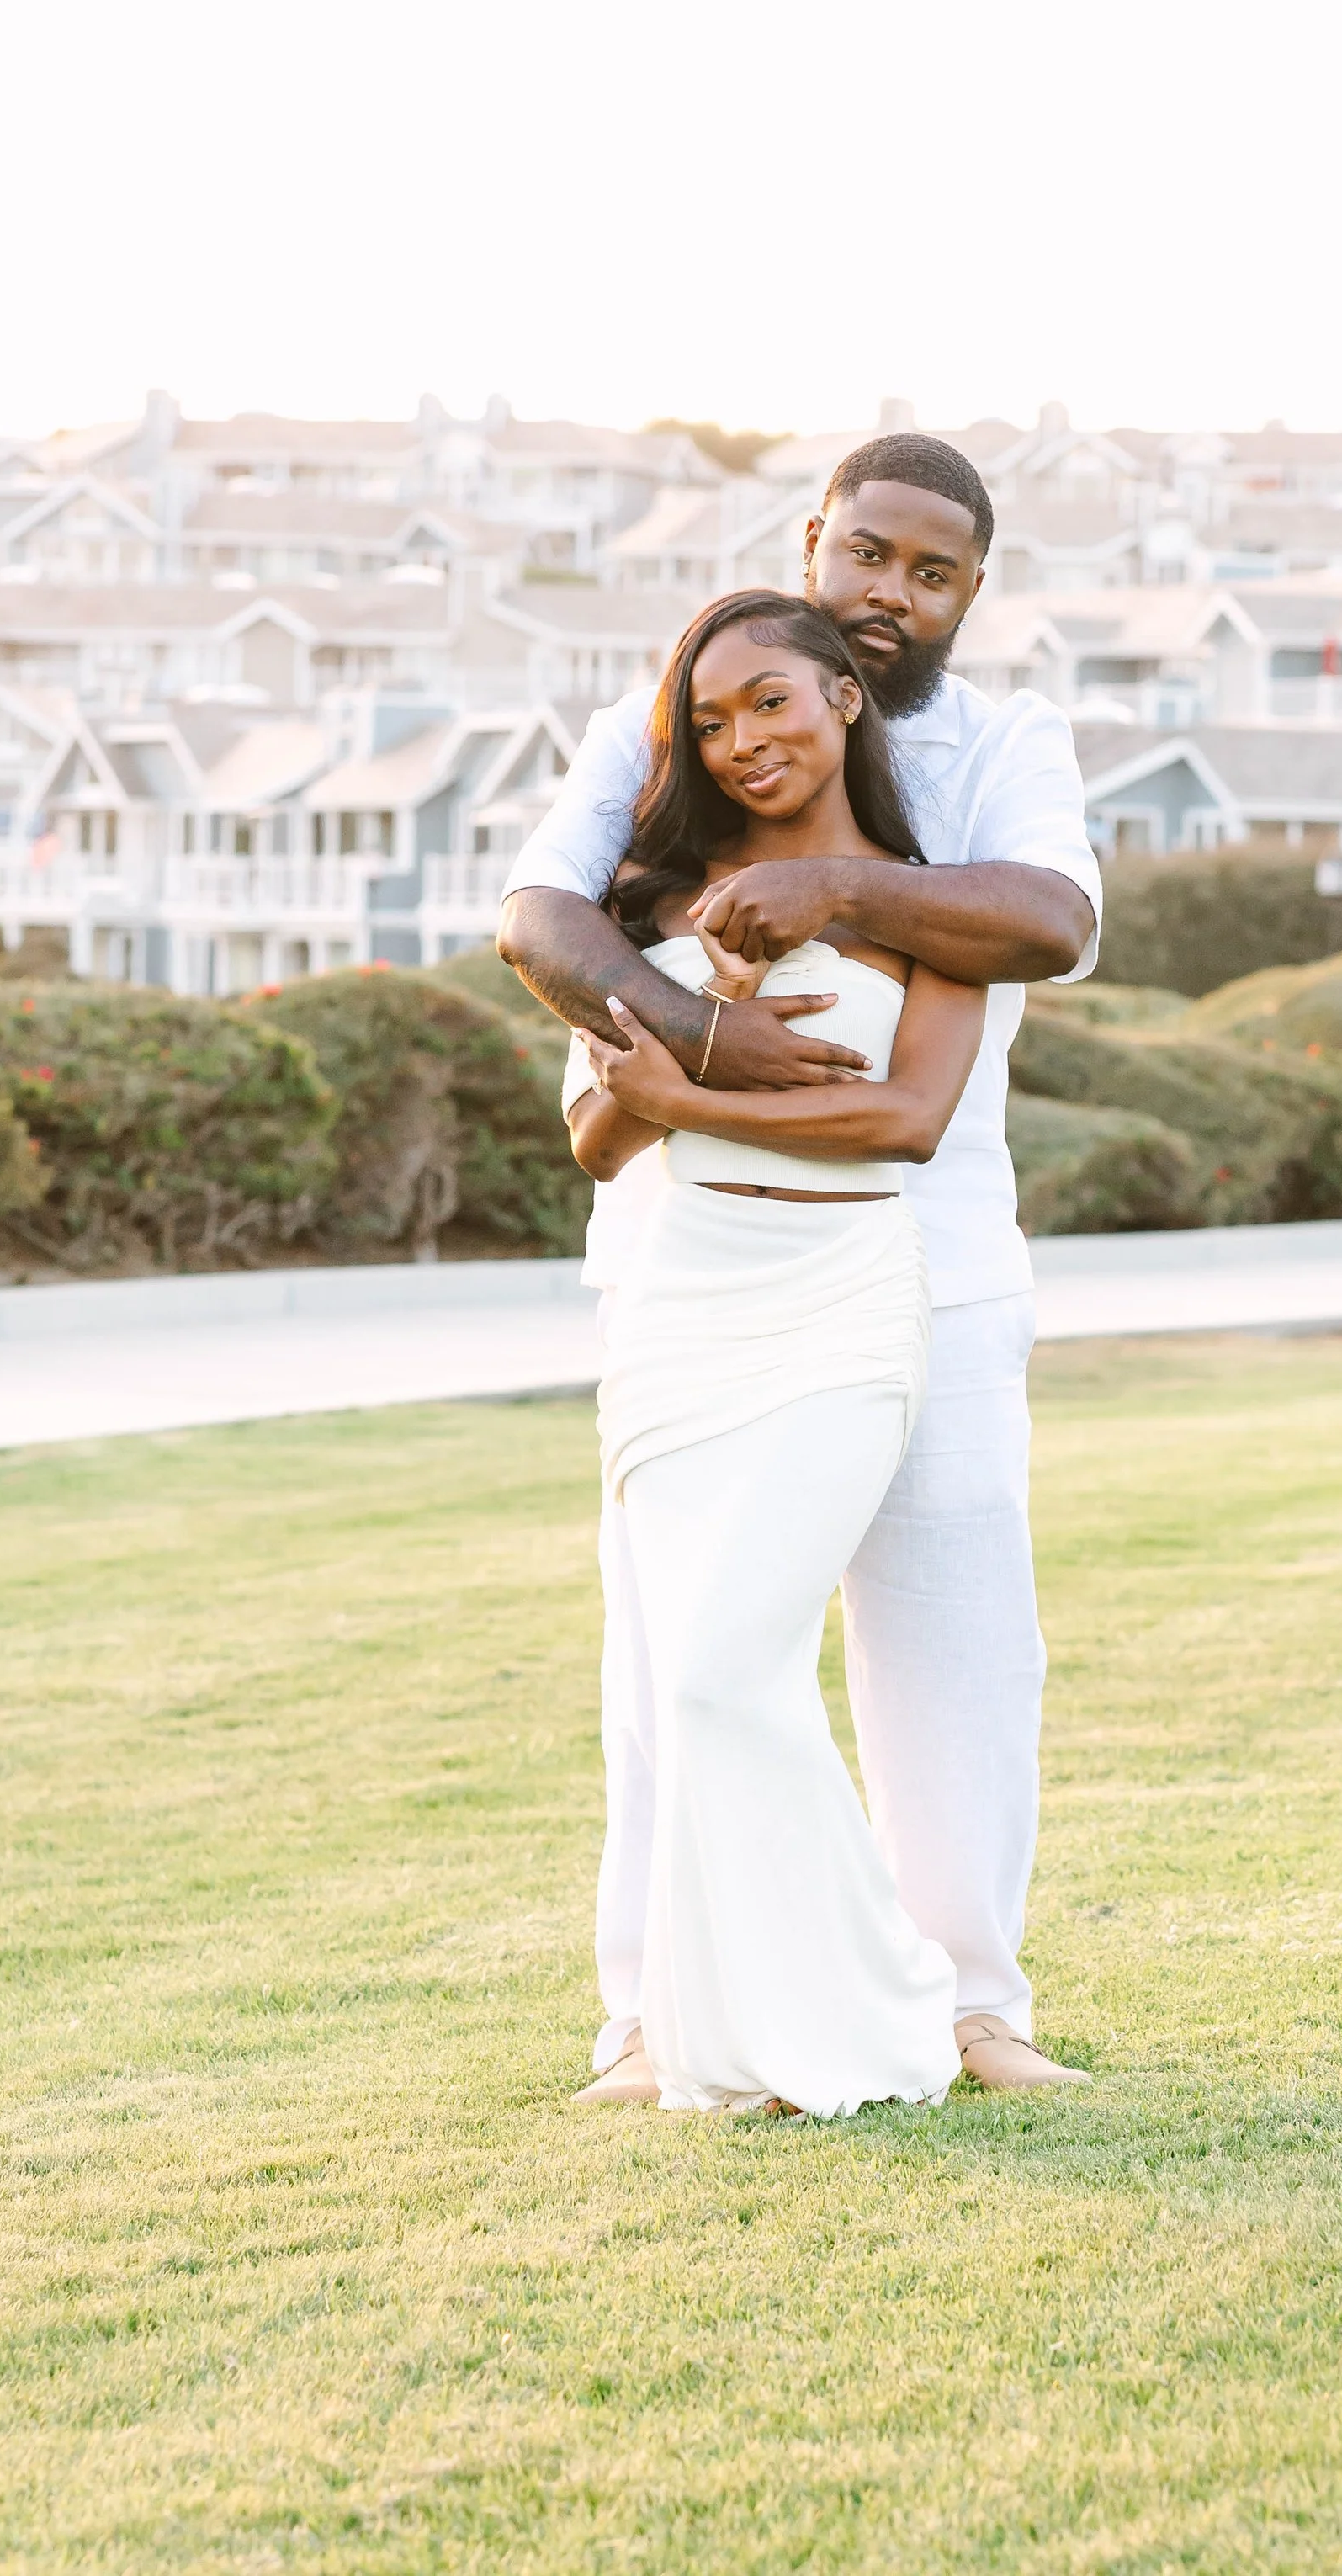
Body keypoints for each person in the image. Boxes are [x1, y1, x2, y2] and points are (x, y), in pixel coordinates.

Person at [500, 431, 1102, 2102]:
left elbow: (1045, 922)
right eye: (866, 556)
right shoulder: (674, 727)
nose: (889, 595)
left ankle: (966, 1998)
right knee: (672, 1648)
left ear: (970, 593)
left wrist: (837, 884)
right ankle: (650, 2006)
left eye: (933, 574)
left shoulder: (999, 746)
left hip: (935, 1255)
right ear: (812, 540)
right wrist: (707, 1039)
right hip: (686, 1264)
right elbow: (544, 919)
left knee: (956, 1631)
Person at [566, 591, 983, 2111]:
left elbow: (904, 1123)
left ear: (844, 703)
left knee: (738, 1662)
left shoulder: (938, 911)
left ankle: (895, 2002)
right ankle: (710, 2034)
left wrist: (696, 1100)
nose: (743, 742)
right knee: (690, 1690)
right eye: (710, 723)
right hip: (680, 1311)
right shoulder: (649, 903)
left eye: (771, 706)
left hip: (838, 1307)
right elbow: (598, 1138)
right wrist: (694, 1009)